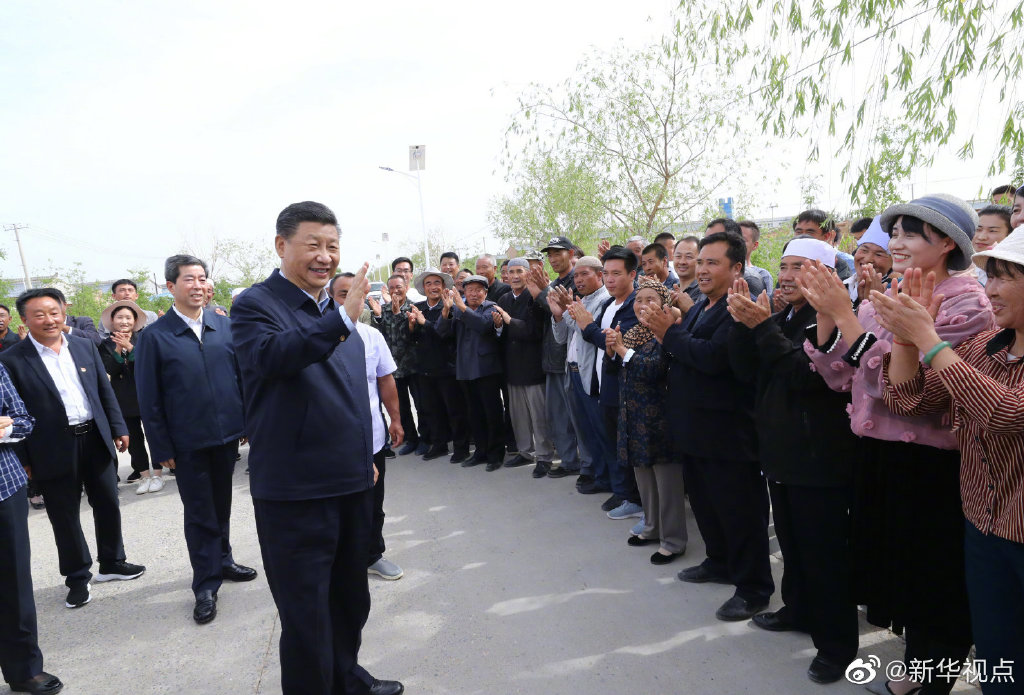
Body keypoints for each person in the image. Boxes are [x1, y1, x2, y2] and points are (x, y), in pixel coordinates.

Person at [801, 194, 992, 695]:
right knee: (902, 575)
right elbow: (840, 376)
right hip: (878, 455)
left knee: (934, 580)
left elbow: (907, 393)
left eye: (910, 234)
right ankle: (915, 667)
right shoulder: (889, 292)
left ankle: (932, 680)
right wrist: (830, 316)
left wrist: (847, 320)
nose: (897, 244)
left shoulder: (968, 303)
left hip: (928, 461)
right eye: (896, 234)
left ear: (947, 242)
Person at [230, 201, 402, 695]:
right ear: (281, 245)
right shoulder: (256, 306)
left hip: (351, 481)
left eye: (332, 246)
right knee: (306, 613)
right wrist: (342, 320)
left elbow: (352, 397)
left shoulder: (333, 310)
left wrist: (364, 459)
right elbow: (275, 357)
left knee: (350, 600)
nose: (325, 256)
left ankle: (346, 678)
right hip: (296, 491)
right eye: (313, 245)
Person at [876, 226, 1024, 695]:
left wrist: (930, 339)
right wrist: (906, 341)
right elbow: (910, 399)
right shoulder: (985, 347)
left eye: (1005, 277)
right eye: (990, 276)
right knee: (999, 653)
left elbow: (1005, 414)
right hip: (983, 526)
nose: (991, 289)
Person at [726, 238, 859, 684]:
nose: (785, 276)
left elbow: (806, 378)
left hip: (818, 459)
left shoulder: (833, 320)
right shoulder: (784, 315)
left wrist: (762, 326)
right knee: (793, 545)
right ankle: (799, 610)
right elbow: (747, 372)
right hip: (782, 453)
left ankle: (836, 647)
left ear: (826, 274)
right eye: (783, 266)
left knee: (824, 556)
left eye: (798, 266)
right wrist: (744, 326)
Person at [643, 231, 773, 622]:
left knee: (739, 512)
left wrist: (668, 333)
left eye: (711, 263)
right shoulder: (702, 305)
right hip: (694, 429)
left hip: (728, 433)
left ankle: (753, 588)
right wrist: (670, 335)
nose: (701, 269)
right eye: (700, 261)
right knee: (706, 504)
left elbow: (714, 358)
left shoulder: (739, 307)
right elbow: (686, 352)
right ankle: (719, 562)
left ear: (737, 268)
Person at [0, 288, 144, 610]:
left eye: (54, 312)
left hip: (94, 437)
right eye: (39, 315)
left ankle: (112, 561)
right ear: (24, 319)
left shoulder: (82, 346)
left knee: (107, 501)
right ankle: (77, 577)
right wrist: (24, 458)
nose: (49, 320)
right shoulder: (12, 360)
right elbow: (13, 411)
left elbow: (103, 390)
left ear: (63, 312)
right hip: (50, 447)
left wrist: (118, 427)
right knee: (64, 514)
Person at [135, 255, 256, 625]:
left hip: (226, 436)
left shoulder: (224, 326)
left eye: (203, 278)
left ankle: (224, 560)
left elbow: (241, 377)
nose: (198, 285)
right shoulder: (155, 336)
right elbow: (149, 398)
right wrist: (160, 447)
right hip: (186, 442)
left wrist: (245, 421)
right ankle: (205, 583)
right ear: (171, 286)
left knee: (221, 504)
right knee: (200, 512)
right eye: (190, 279)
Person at [605, 277, 687, 565]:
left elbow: (654, 369)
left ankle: (673, 541)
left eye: (650, 299)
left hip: (661, 420)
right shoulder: (633, 333)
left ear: (664, 303)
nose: (642, 305)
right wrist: (611, 349)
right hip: (634, 417)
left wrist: (621, 351)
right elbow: (617, 369)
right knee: (645, 480)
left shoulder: (669, 332)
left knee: (667, 485)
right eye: (639, 300)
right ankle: (651, 527)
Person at [330, 273, 405, 582]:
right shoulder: (319, 337)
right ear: (330, 297)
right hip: (334, 442)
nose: (352, 300)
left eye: (357, 294)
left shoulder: (372, 336)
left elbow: (385, 379)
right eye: (343, 294)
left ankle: (373, 555)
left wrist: (395, 419)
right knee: (339, 504)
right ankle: (341, 559)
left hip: (371, 437)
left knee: (374, 503)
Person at [0, 362, 64, 695]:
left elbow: (23, 420)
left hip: (4, 487)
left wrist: (4, 428)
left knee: (13, 583)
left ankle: (24, 669)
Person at [572, 246, 644, 520]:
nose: (610, 280)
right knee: (611, 442)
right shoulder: (607, 305)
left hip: (624, 388)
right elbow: (600, 340)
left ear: (632, 274)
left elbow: (614, 342)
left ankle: (632, 497)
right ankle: (623, 492)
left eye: (617, 273)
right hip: (603, 384)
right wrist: (588, 327)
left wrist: (588, 326)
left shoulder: (635, 304)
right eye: (607, 273)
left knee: (624, 446)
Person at [549, 257, 611, 495]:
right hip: (573, 371)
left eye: (585, 274)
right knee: (583, 428)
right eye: (576, 276)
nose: (579, 280)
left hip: (590, 374)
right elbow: (561, 338)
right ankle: (593, 471)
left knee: (598, 428)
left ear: (600, 275)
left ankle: (606, 477)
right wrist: (558, 315)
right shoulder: (579, 300)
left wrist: (569, 311)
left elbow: (587, 331)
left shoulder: (605, 300)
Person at [436, 276, 505, 470]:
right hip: (465, 369)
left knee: (492, 413)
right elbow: (442, 332)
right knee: (474, 414)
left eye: (478, 290)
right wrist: (446, 310)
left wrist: (461, 307)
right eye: (470, 290)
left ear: (485, 292)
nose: (474, 294)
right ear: (464, 292)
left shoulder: (491, 308)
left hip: (486, 370)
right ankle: (480, 452)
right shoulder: (458, 309)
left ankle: (496, 454)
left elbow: (482, 325)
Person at [529, 236, 582, 478]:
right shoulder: (555, 282)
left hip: (571, 361)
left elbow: (566, 313)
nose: (553, 258)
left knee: (575, 417)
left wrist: (542, 292)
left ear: (571, 254)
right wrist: (540, 292)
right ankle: (569, 461)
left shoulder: (576, 281)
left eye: (558, 253)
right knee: (558, 417)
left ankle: (584, 463)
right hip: (552, 359)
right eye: (549, 255)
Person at [495, 259, 554, 474]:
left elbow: (534, 331)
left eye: (519, 271)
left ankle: (544, 456)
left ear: (528, 273)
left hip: (533, 365)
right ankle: (525, 451)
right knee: (518, 415)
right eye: (511, 272)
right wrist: (499, 327)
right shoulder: (504, 298)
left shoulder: (534, 296)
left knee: (539, 417)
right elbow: (500, 334)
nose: (515, 276)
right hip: (512, 366)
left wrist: (509, 321)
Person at [97, 300, 163, 492]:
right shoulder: (105, 345)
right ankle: (144, 476)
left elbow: (145, 365)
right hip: (123, 397)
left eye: (128, 317)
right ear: (112, 321)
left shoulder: (144, 338)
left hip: (147, 394)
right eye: (120, 317)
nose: (124, 321)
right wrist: (119, 349)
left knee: (154, 435)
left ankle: (158, 474)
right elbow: (110, 369)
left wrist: (130, 347)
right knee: (134, 439)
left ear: (135, 321)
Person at [409, 268, 470, 463]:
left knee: (455, 410)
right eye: (428, 283)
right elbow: (413, 339)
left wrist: (424, 322)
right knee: (431, 410)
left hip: (447, 368)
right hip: (424, 368)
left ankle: (461, 447)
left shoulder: (450, 307)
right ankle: (439, 444)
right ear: (423, 288)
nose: (433, 287)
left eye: (437, 283)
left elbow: (444, 334)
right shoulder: (418, 307)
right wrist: (412, 326)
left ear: (444, 286)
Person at [370, 274, 425, 456]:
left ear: (406, 287)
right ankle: (411, 438)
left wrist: (398, 314)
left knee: (421, 404)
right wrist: (379, 316)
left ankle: (426, 438)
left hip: (413, 365)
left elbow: (411, 336)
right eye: (391, 287)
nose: (395, 291)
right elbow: (379, 334)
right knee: (402, 407)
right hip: (393, 368)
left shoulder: (414, 308)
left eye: (399, 287)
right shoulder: (382, 310)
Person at [706, 218, 766, 297]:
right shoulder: (704, 276)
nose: (707, 245)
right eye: (706, 240)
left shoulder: (749, 279)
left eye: (715, 240)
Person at [843, 217, 894, 310]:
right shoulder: (841, 285)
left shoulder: (895, 292)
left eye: (879, 254)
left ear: (893, 261)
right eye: (864, 250)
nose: (867, 259)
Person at [793, 209, 854, 280]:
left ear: (827, 236)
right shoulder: (789, 260)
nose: (803, 237)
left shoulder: (838, 265)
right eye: (799, 232)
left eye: (809, 233)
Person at [972, 204, 1013, 285]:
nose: (981, 237)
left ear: (1010, 234)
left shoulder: (1016, 272)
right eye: (978, 229)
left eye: (992, 231)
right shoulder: (958, 267)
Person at [738, 220, 773, 297]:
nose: (736, 242)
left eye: (742, 240)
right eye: (734, 238)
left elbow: (767, 303)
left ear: (755, 245)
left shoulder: (763, 275)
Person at [673, 237, 703, 303]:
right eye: (678, 256)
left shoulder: (703, 291)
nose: (682, 262)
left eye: (689, 257)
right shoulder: (671, 289)